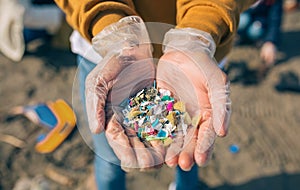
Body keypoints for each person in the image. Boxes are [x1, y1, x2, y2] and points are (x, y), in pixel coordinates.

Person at [54, 1, 257, 190]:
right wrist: (113, 31)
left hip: (197, 59)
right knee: (109, 155)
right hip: (108, 53)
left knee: (190, 145)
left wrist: (200, 30)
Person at [236, 0, 283, 67]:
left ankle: (251, 39)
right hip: (245, 16)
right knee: (242, 21)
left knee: (255, 31)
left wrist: (270, 42)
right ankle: (239, 36)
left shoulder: (273, 2)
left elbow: (275, 20)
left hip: (260, 22)